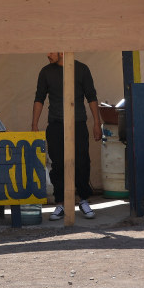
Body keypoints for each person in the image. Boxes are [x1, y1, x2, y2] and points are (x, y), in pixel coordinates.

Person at [31, 52, 103, 221]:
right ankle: (61, 203)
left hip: (77, 122)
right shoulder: (45, 72)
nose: (47, 54)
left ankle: (84, 200)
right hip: (56, 123)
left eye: (51, 50)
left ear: (62, 49)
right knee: (58, 164)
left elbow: (91, 97)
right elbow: (39, 98)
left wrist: (96, 123)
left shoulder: (82, 69)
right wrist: (34, 124)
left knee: (81, 161)